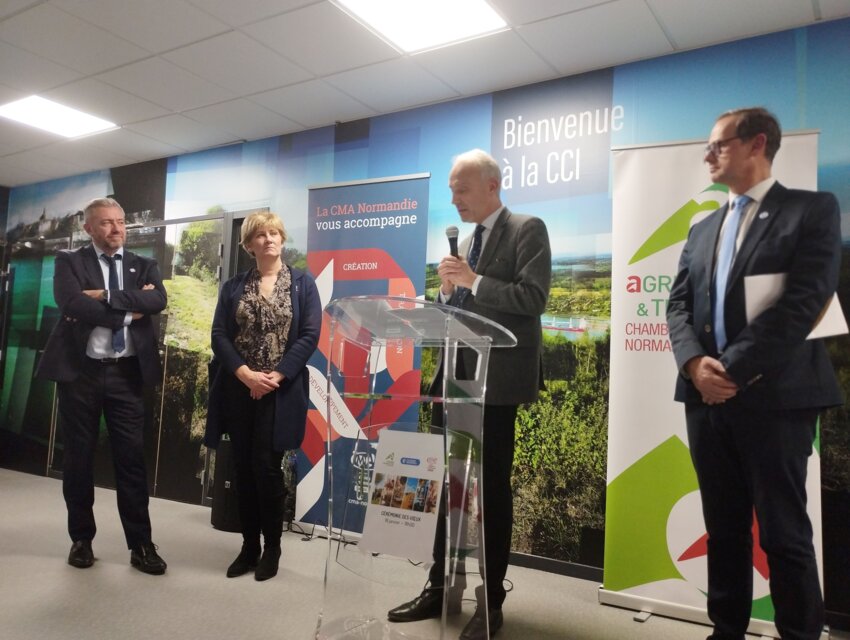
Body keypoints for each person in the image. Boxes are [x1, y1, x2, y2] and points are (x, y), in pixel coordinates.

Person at [667, 107, 842, 640]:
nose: (707, 155)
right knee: (723, 530)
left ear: (756, 143)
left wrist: (730, 371)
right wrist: (696, 365)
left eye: (717, 145)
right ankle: (726, 630)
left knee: (784, 536)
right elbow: (676, 308)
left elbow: (804, 303)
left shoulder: (810, 210)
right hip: (705, 400)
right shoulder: (702, 229)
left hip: (777, 399)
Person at [387, 149, 551, 639]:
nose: (454, 198)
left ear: (492, 186)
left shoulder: (527, 228)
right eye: (452, 189)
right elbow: (462, 309)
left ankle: (491, 599)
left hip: (496, 386)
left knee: (491, 493)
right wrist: (445, 293)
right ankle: (440, 584)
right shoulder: (468, 241)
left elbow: (533, 298)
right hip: (453, 384)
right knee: (444, 487)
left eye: (461, 188)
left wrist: (475, 280)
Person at [36, 197, 168, 574]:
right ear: (89, 228)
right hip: (82, 375)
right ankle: (81, 539)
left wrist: (108, 297)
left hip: (127, 376)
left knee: (131, 460)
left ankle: (141, 544)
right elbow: (72, 304)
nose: (116, 229)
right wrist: (129, 313)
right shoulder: (69, 261)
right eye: (106, 223)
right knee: (78, 459)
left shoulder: (143, 264)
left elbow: (157, 299)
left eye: (120, 222)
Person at [205, 211, 321, 582]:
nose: (269, 239)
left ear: (282, 240)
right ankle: (248, 547)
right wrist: (245, 374)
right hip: (239, 389)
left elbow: (309, 335)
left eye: (274, 233)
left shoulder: (303, 285)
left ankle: (272, 548)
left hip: (279, 391)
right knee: (242, 469)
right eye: (260, 235)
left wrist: (278, 373)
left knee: (267, 470)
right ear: (249, 244)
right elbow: (220, 335)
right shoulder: (234, 287)